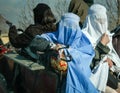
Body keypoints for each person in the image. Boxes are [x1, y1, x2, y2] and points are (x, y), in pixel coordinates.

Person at [29, 13, 99, 93]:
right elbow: (35, 43)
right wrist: (52, 46)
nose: (69, 30)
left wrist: (66, 52)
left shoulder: (83, 42)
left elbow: (86, 58)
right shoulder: (54, 37)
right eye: (65, 27)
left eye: (73, 27)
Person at [82, 4, 120, 93]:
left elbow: (114, 58)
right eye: (98, 20)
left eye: (104, 20)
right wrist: (102, 45)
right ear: (90, 20)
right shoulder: (83, 38)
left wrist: (112, 62)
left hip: (109, 77)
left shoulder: (108, 36)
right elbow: (86, 64)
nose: (101, 24)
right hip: (91, 81)